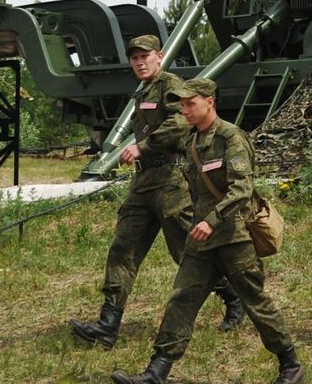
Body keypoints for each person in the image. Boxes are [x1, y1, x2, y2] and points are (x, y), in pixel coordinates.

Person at [112, 77, 302, 384]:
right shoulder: (191, 141)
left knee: (255, 302)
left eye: (190, 104)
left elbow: (242, 188)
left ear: (209, 102)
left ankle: (290, 364)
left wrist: (212, 221)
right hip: (201, 242)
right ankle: (155, 375)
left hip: (232, 237)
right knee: (181, 300)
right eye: (181, 104)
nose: (184, 109)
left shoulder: (231, 137)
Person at [68, 36, 245, 348]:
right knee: (124, 247)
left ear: (159, 56)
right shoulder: (143, 92)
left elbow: (182, 122)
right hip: (143, 183)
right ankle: (108, 325)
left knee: (186, 251)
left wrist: (142, 146)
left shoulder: (170, 85)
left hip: (170, 182)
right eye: (134, 58)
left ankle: (234, 297)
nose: (139, 62)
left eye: (144, 56)